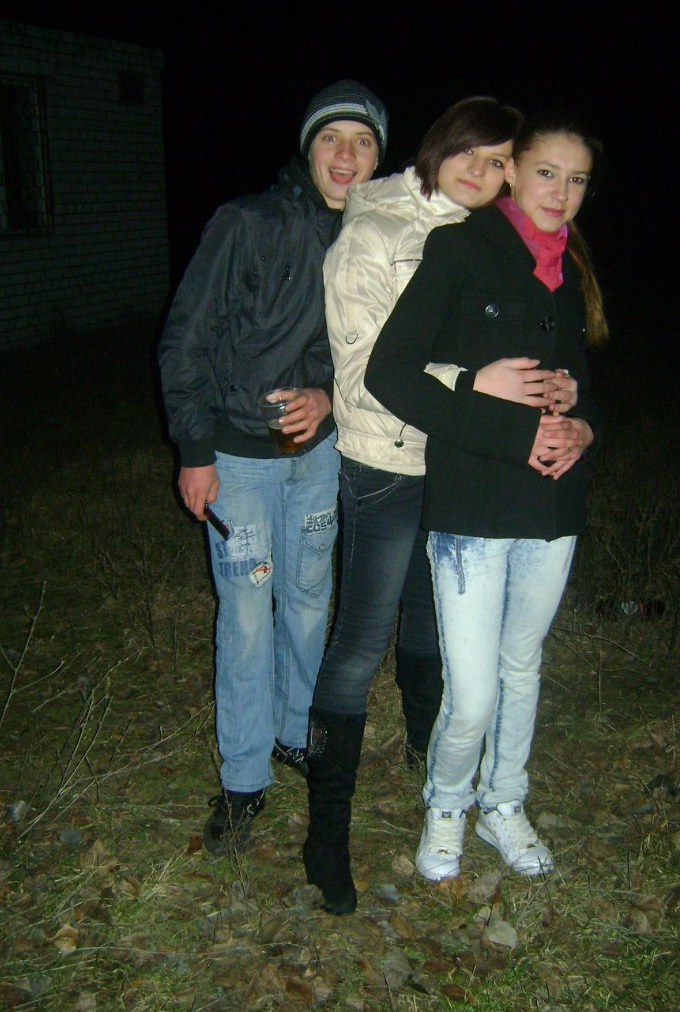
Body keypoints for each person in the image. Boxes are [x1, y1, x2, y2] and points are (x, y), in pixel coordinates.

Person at [302, 98, 580, 915]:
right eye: (470, 153)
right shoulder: (376, 233)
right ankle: (327, 833)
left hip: (459, 465)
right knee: (362, 641)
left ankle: (438, 779)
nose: (481, 173)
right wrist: (473, 383)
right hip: (390, 464)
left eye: (498, 161)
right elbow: (367, 373)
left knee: (432, 635)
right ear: (437, 148)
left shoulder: (494, 239)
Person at [365, 112, 607, 883]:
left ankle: (504, 801)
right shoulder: (461, 248)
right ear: (513, 173)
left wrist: (584, 425)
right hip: (472, 505)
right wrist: (502, 426)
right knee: (471, 695)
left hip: (552, 506)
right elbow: (388, 372)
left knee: (522, 668)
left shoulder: (571, 266)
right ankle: (446, 804)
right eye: (546, 172)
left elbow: (583, 382)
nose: (560, 192)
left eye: (577, 180)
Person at [157, 80, 389, 855]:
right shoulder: (247, 223)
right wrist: (195, 452)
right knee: (249, 618)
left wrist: (326, 396)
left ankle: (295, 733)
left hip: (315, 459)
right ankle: (244, 778)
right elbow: (184, 339)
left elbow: (369, 355)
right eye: (332, 138)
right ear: (308, 148)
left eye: (363, 142)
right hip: (240, 463)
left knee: (310, 602)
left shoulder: (368, 243)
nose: (347, 155)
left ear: (378, 159)